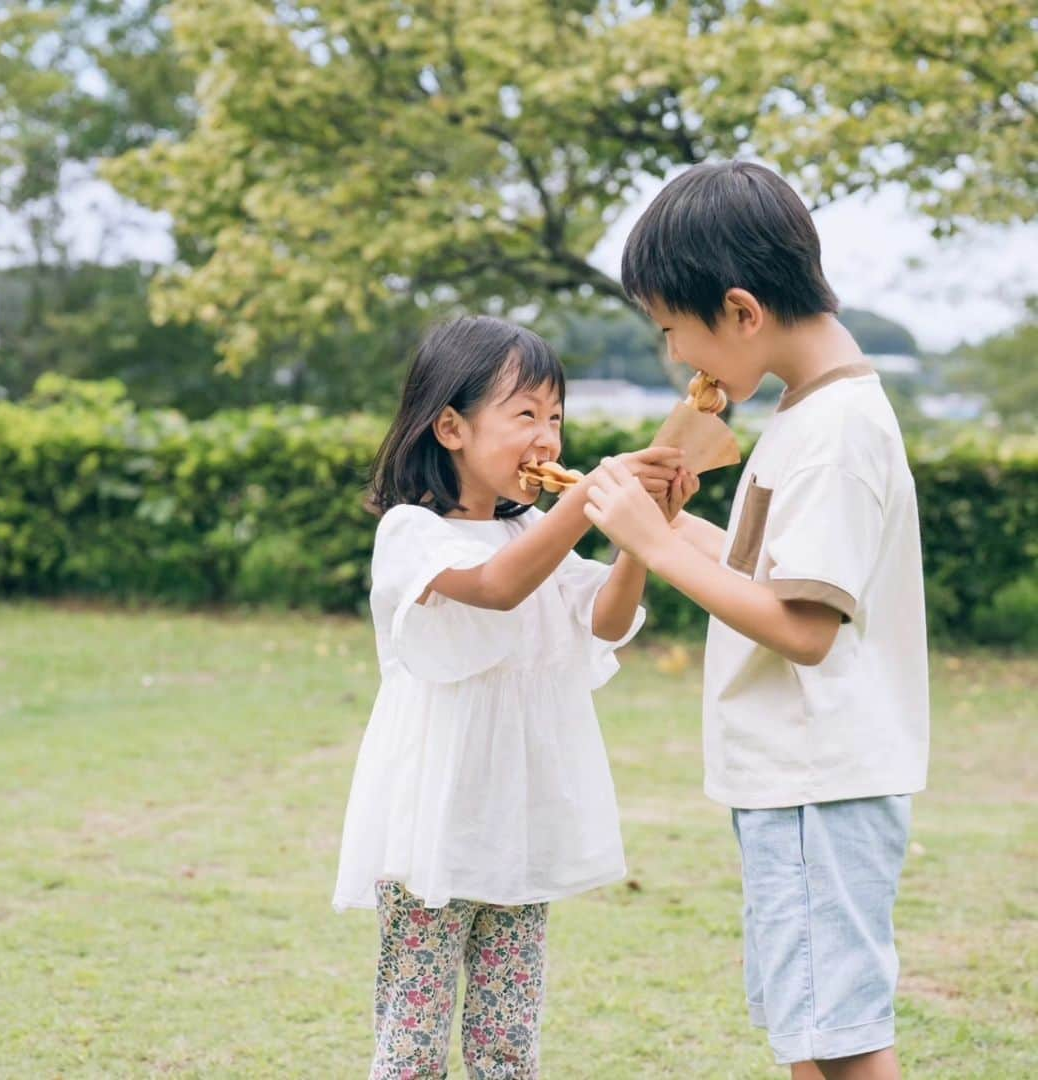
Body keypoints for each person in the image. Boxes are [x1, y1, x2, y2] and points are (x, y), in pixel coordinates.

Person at [582, 161, 929, 1080]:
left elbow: (805, 627)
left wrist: (652, 549)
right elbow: (761, 574)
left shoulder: (834, 435)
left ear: (740, 312)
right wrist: (651, 515)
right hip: (796, 777)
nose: (674, 361)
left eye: (672, 332)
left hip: (821, 777)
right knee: (810, 1034)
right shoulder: (805, 413)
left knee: (843, 1043)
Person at [333, 314, 693, 1079]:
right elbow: (497, 588)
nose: (548, 438)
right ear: (452, 426)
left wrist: (639, 536)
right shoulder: (412, 532)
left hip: (520, 821)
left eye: (556, 417)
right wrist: (589, 501)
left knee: (507, 1041)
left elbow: (607, 619)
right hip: (432, 824)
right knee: (414, 1043)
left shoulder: (533, 526)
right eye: (525, 414)